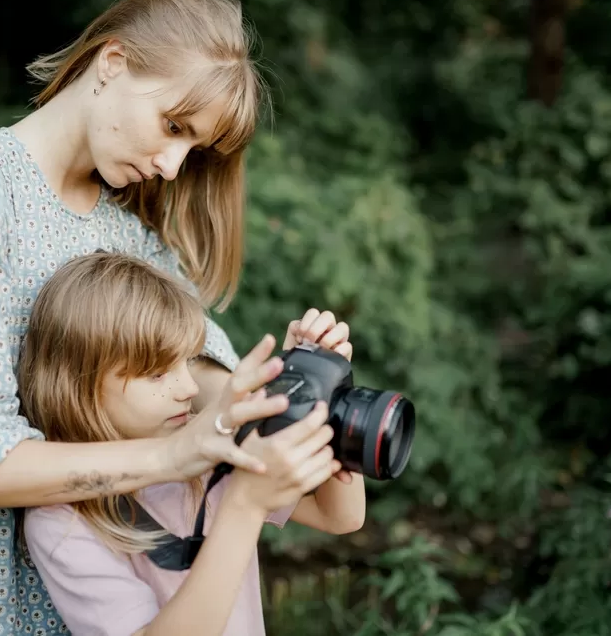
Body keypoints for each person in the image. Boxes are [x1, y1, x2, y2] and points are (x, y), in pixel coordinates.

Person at [0, 0, 343, 636]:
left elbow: (199, 374)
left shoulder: (127, 231)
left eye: (194, 150)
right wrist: (175, 456)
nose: (171, 165)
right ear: (112, 63)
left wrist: (300, 392)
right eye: (173, 126)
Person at [18, 252, 366, 636]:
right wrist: (245, 504)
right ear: (78, 386)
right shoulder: (60, 521)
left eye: (188, 362)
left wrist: (325, 392)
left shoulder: (210, 446)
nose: (190, 388)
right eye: (156, 374)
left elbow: (339, 517)